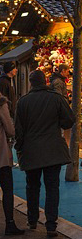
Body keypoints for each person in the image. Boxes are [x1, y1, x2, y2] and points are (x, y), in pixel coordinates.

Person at [14, 70, 75, 237]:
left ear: (31, 83)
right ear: (45, 82)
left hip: (31, 151)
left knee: (32, 186)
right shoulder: (55, 98)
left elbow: (18, 129)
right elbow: (70, 119)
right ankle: (51, 225)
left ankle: (32, 221)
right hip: (53, 150)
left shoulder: (23, 102)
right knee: (52, 187)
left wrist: (19, 147)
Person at [0, 92, 24, 236]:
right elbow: (9, 129)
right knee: (7, 190)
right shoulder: (1, 102)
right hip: (1, 155)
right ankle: (10, 223)